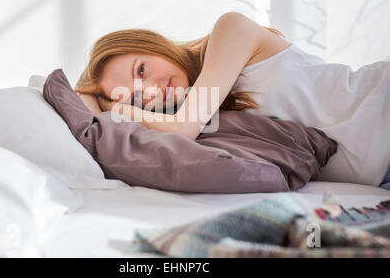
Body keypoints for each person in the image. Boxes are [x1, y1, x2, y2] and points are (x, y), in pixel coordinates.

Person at [74, 11, 390, 187]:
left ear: (152, 44)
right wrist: (99, 103)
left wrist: (115, 106)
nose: (153, 90)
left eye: (142, 69)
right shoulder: (210, 114)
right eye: (138, 98)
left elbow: (181, 129)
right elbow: (83, 110)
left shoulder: (230, 29)